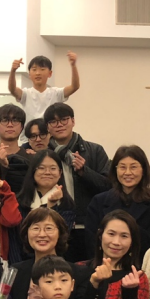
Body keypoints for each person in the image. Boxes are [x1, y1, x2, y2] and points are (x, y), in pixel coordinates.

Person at [43, 103, 111, 262]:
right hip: (56, 227)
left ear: (73, 121)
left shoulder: (95, 150)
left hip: (88, 226)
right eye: (53, 122)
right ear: (47, 127)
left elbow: (108, 187)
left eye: (64, 119)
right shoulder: (44, 155)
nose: (59, 125)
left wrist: (84, 172)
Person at [84, 145, 150, 256]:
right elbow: (91, 241)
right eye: (122, 167)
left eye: (133, 167)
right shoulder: (99, 201)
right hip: (105, 263)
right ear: (115, 170)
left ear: (143, 170)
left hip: (141, 262)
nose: (128, 172)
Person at [13, 149, 77, 263]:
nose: (47, 172)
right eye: (41, 168)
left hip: (54, 264)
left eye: (53, 168)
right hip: (22, 263)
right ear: (33, 171)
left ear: (60, 173)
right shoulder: (19, 202)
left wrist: (52, 206)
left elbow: (60, 239)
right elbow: (15, 240)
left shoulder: (67, 204)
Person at [9, 207, 73, 299]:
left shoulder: (76, 272)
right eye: (36, 228)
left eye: (48, 228)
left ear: (60, 233)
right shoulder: (15, 272)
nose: (42, 234)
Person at [8, 52, 80, 124]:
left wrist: (73, 66)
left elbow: (74, 87)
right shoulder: (26, 93)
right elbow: (12, 89)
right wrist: (13, 70)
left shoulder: (56, 93)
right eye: (34, 69)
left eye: (42, 69)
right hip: (29, 130)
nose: (38, 73)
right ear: (29, 74)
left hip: (51, 130)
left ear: (50, 73)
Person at [0, 104, 31, 194]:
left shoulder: (31, 159)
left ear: (21, 127)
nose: (10, 125)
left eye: (15, 120)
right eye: (5, 120)